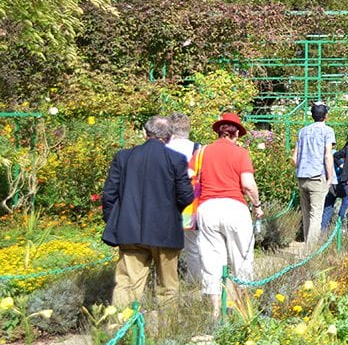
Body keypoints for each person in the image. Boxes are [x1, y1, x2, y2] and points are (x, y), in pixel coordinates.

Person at [101, 116, 194, 310]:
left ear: (145, 133)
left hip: (130, 231)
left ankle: (121, 329)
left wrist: (116, 221)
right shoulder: (176, 159)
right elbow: (186, 195)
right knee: (167, 287)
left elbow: (109, 195)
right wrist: (171, 213)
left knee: (126, 284)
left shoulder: (123, 157)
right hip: (165, 231)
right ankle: (167, 332)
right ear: (169, 137)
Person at [192, 112, 263, 319]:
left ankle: (215, 312)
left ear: (219, 131)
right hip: (234, 207)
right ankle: (244, 308)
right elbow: (248, 185)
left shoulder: (202, 152)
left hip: (208, 208)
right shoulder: (240, 153)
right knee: (241, 257)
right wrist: (257, 205)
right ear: (237, 134)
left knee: (211, 260)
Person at [291, 102, 335, 247]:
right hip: (317, 175)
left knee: (306, 213)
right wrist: (330, 178)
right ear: (325, 116)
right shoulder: (327, 131)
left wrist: (301, 167)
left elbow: (294, 158)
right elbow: (328, 156)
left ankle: (306, 242)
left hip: (302, 176)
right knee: (316, 214)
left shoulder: (302, 131)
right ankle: (310, 251)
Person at [166, 112, 202, 282]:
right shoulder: (199, 149)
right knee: (193, 245)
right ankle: (195, 279)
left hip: (167, 201)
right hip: (192, 202)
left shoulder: (164, 149)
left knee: (166, 245)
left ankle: (168, 279)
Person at [321, 139, 348, 230]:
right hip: (339, 183)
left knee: (328, 207)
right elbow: (342, 169)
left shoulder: (322, 155)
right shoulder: (337, 155)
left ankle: (323, 229)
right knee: (345, 201)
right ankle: (340, 224)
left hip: (328, 183)